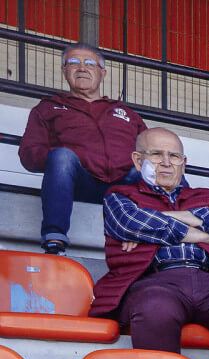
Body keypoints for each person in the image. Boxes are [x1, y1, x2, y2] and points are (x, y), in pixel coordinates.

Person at [90, 127, 209, 359]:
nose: (166, 162)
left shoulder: (208, 196)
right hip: (155, 282)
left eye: (174, 156)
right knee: (155, 310)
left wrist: (162, 223)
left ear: (183, 163)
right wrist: (206, 234)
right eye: (156, 154)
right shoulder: (120, 196)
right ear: (138, 160)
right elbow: (130, 222)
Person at [18, 43, 146, 254]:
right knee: (63, 157)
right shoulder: (48, 108)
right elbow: (28, 154)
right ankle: (54, 240)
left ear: (102, 72)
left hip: (124, 187)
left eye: (90, 63)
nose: (82, 68)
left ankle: (179, 232)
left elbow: (151, 148)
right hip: (79, 184)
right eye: (73, 62)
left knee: (155, 162)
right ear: (64, 71)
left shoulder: (126, 113)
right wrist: (58, 158)